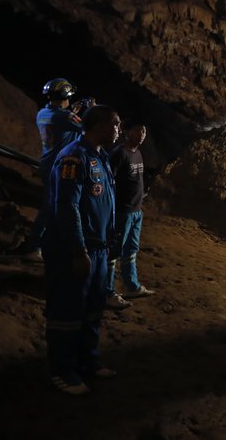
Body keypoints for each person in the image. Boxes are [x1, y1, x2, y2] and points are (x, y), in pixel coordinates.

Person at [43, 105, 120, 395]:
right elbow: (67, 206)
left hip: (97, 249)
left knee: (92, 310)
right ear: (99, 126)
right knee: (67, 310)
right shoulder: (73, 158)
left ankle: (87, 360)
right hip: (73, 249)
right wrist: (78, 250)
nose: (118, 130)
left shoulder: (100, 157)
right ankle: (61, 370)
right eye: (115, 124)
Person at [22, 78, 87, 262]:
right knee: (54, 209)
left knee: (54, 207)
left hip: (47, 164)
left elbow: (62, 123)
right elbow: (86, 128)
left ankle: (42, 245)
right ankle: (34, 247)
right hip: (60, 167)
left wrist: (70, 112)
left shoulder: (42, 113)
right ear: (64, 96)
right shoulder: (64, 117)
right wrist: (89, 109)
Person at [105, 120, 155, 310]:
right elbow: (110, 182)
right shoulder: (119, 154)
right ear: (127, 132)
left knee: (131, 250)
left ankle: (131, 286)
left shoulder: (138, 153)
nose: (142, 135)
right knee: (114, 251)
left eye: (144, 131)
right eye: (138, 131)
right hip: (123, 211)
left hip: (135, 211)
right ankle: (107, 292)